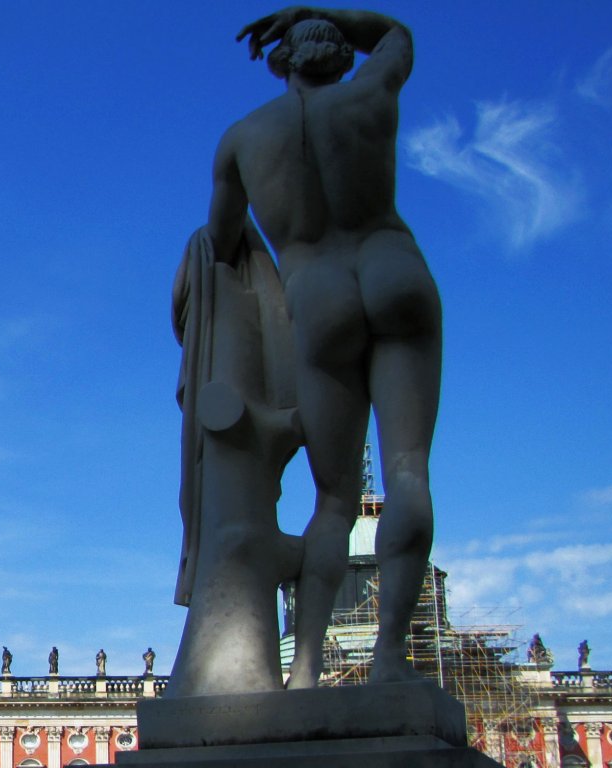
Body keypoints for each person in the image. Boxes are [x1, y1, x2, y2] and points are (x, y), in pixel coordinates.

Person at [210, 9, 440, 687]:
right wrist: (325, 12)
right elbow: (398, 36)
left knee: (335, 502)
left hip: (318, 296)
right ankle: (391, 659)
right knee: (407, 475)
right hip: (396, 268)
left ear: (281, 66)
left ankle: (306, 667)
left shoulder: (243, 139)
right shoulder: (372, 94)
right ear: (340, 58)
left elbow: (220, 246)